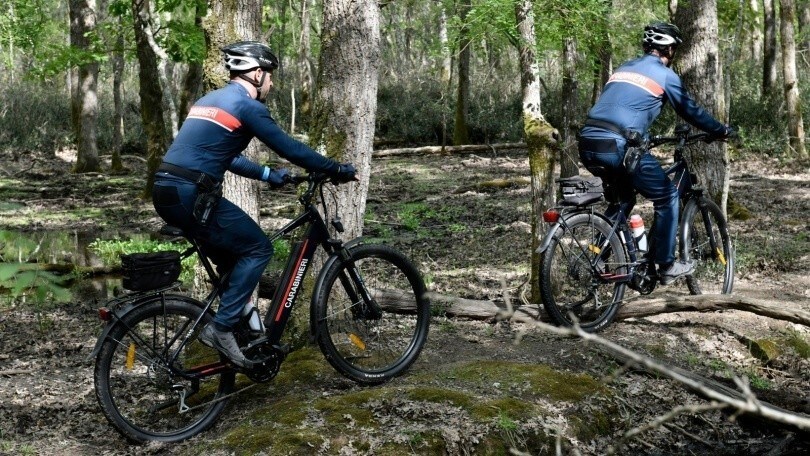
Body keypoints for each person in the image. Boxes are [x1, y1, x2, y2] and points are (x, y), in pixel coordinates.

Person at [152, 41, 356, 368]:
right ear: (257, 73)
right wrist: (334, 168)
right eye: (270, 76)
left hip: (166, 190)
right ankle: (221, 328)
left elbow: (223, 155)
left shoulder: (209, 100)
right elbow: (289, 147)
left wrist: (267, 174)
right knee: (258, 248)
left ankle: (245, 331)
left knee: (232, 260)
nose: (272, 84)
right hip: (191, 194)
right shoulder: (248, 106)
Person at [578, 21, 735, 285]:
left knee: (623, 199)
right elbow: (690, 111)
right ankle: (665, 264)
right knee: (667, 195)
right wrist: (722, 130)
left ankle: (600, 253)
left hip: (588, 142)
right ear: (669, 49)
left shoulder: (624, 68)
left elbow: (622, 106)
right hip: (618, 146)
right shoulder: (665, 76)